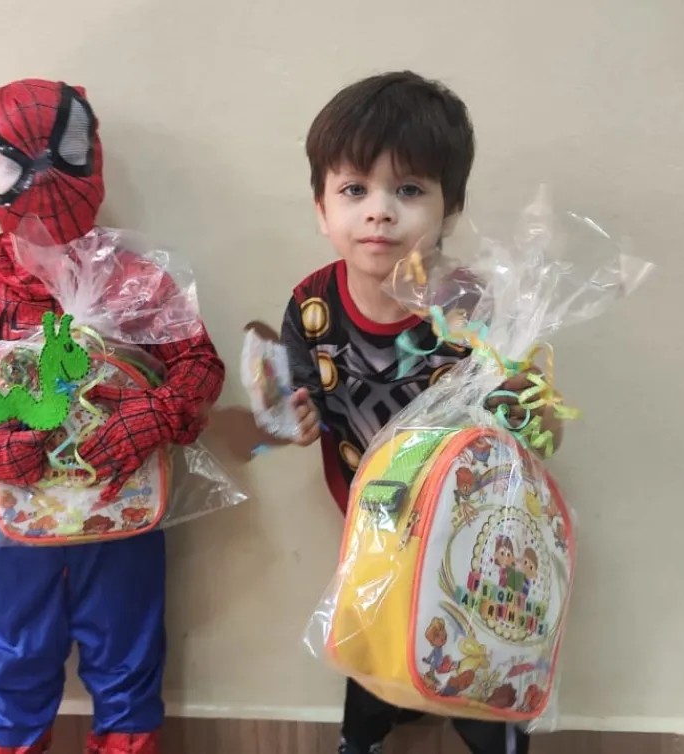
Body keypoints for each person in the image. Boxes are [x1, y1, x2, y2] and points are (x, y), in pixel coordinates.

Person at [0, 78, 225, 754]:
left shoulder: (139, 285)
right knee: (14, 662)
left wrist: (156, 415)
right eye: (17, 163)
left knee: (130, 660)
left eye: (64, 152)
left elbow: (200, 367)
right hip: (14, 522)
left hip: (123, 513)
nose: (46, 179)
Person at [278, 70, 561, 754]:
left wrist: (527, 405)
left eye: (408, 190)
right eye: (354, 189)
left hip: (467, 536)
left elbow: (542, 435)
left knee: (478, 669)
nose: (379, 212)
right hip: (372, 526)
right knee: (371, 653)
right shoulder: (312, 306)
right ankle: (362, 738)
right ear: (321, 209)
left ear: (449, 210)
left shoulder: (479, 310)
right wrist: (289, 420)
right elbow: (294, 405)